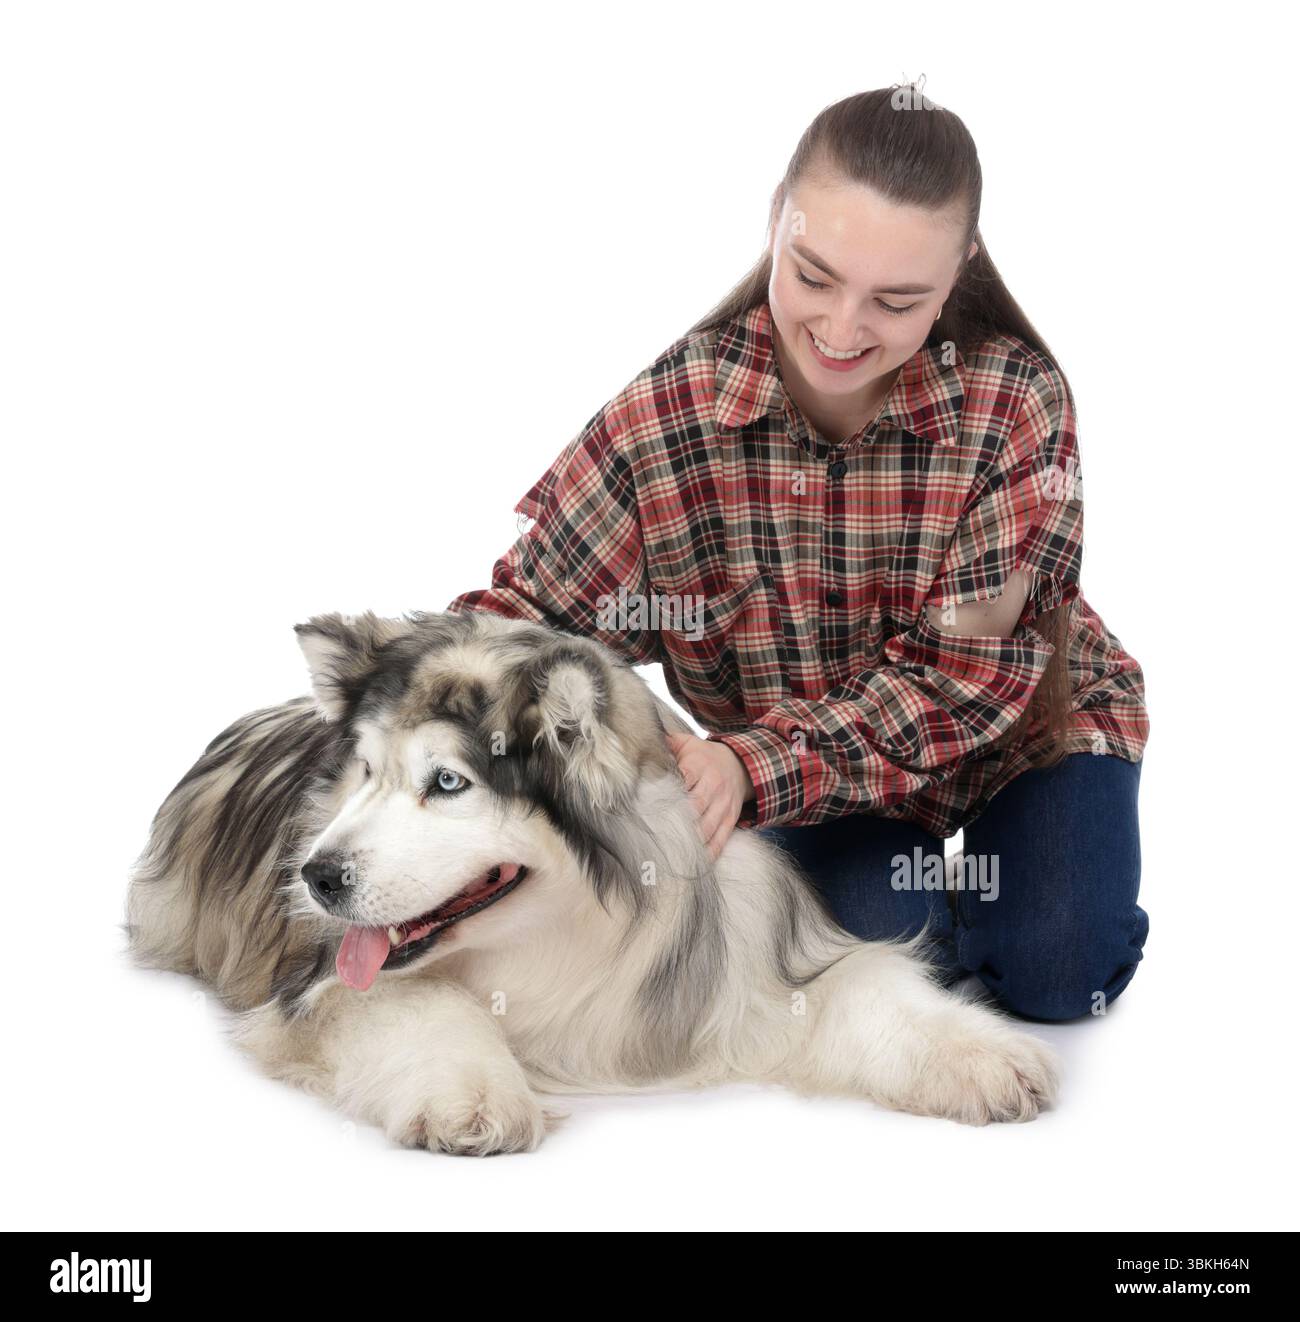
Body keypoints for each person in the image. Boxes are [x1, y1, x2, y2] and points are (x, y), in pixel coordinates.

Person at [446, 84, 1150, 1024]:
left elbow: (966, 681)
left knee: (1059, 973)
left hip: (1020, 738)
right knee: (865, 937)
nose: (843, 328)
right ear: (777, 218)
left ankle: (1008, 909)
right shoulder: (672, 412)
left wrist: (753, 767)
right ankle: (928, 905)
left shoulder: (1016, 404)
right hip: (829, 786)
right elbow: (525, 624)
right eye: (813, 275)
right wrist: (652, 744)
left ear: (961, 271)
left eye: (897, 300)